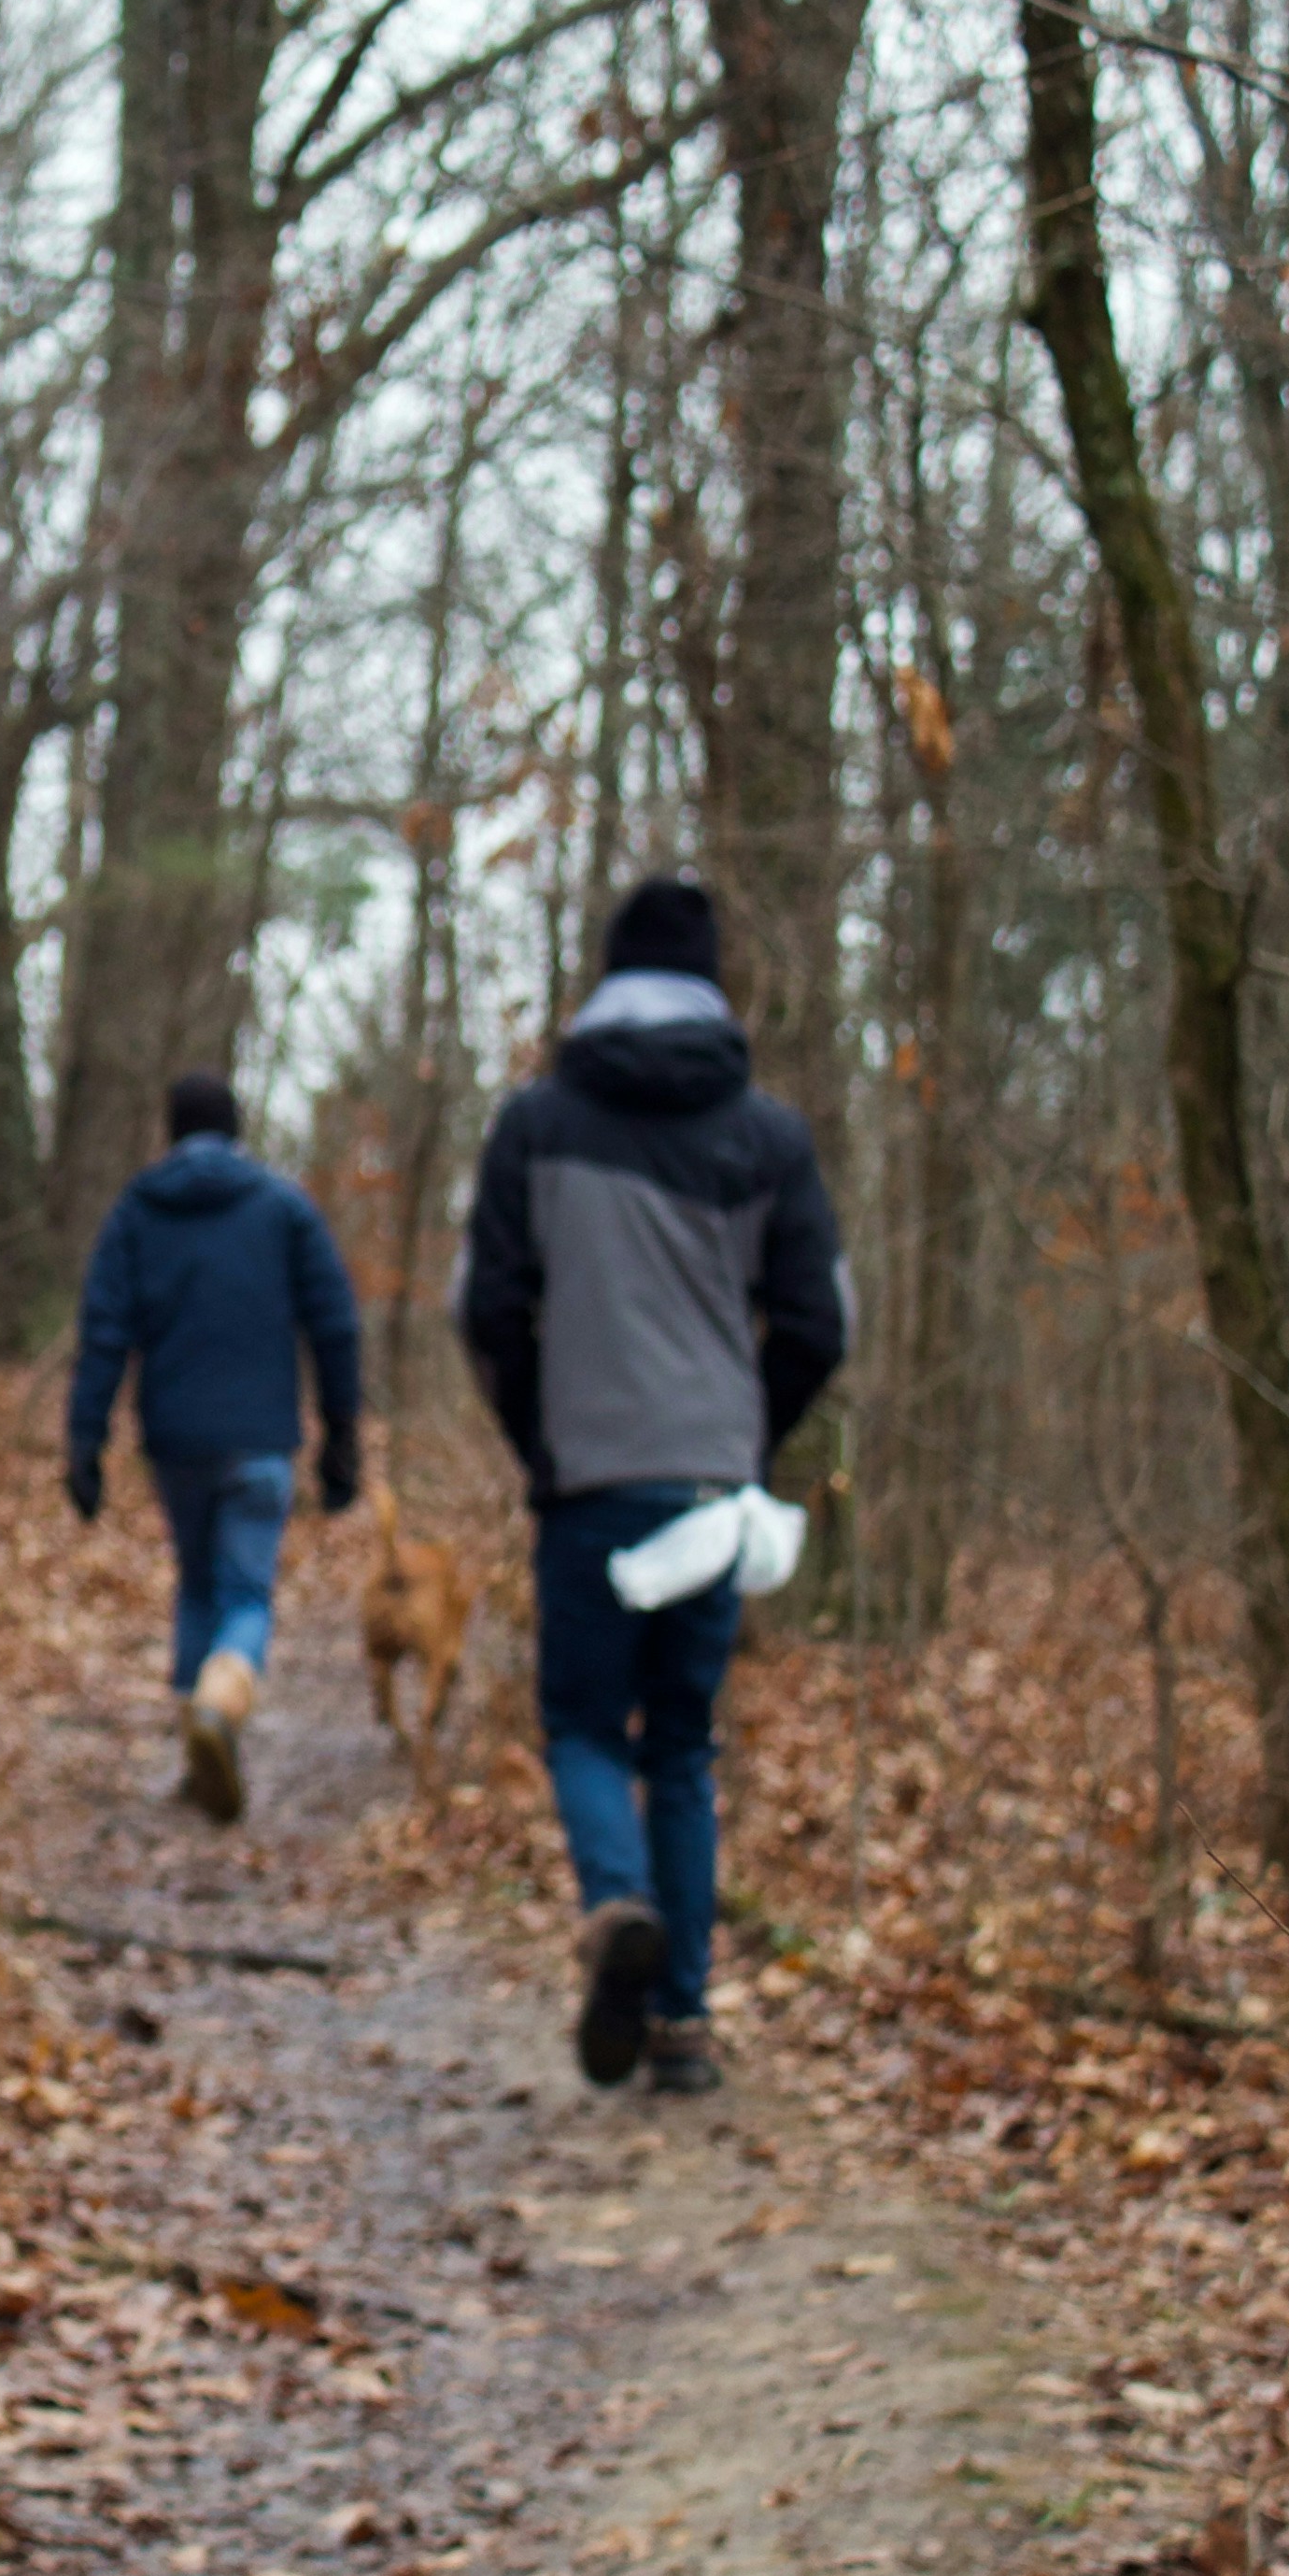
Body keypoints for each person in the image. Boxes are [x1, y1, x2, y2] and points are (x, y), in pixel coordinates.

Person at [455, 877, 848, 2097]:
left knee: (581, 1724)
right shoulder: (768, 1135)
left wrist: (544, 1438)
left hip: (592, 1482)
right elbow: (820, 1322)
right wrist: (746, 1436)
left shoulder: (536, 1122)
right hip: (712, 1488)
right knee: (681, 1745)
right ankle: (681, 2022)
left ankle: (616, 1902)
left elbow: (487, 1308)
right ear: (714, 980)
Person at [66, 1070, 363, 1824]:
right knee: (245, 1594)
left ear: (169, 1130)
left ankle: (193, 1751)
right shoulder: (283, 1208)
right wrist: (342, 1438)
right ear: (236, 1130)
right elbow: (334, 1324)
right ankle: (221, 1709)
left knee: (198, 1584)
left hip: (176, 1438)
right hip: (261, 1434)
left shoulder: (138, 1211)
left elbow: (104, 1334)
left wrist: (85, 1442)